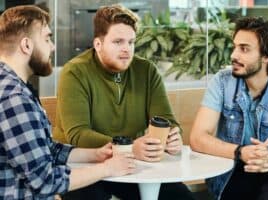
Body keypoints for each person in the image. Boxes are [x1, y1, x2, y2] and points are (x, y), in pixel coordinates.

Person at [53, 4, 195, 200]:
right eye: (118, 42)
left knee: (181, 198)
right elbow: (78, 134)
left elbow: (166, 120)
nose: (126, 49)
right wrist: (130, 148)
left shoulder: (146, 71)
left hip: (133, 164)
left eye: (131, 42)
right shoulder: (75, 72)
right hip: (83, 167)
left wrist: (173, 137)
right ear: (98, 44)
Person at [0, 5, 136, 200]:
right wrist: (107, 168)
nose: (53, 46)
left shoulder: (11, 85)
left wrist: (95, 154)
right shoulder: (14, 99)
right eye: (47, 38)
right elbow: (45, 181)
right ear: (27, 45)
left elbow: (45, 149)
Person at [190, 16, 268, 200]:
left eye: (244, 49)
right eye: (235, 47)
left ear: (266, 56)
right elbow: (197, 138)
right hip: (233, 174)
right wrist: (241, 152)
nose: (234, 55)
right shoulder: (222, 82)